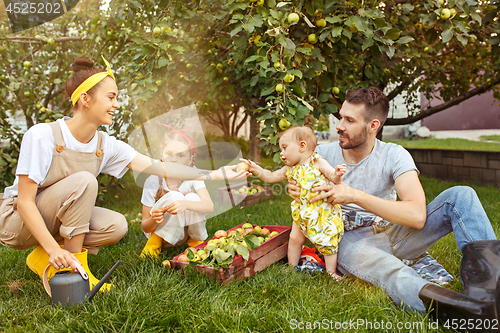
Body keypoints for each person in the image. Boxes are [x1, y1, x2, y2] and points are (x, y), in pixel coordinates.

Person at [0, 56, 247, 291]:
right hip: (17, 222)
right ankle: (74, 274)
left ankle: (43, 258)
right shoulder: (42, 135)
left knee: (116, 225)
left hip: (52, 217)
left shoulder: (105, 144)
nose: (116, 104)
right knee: (85, 181)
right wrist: (55, 248)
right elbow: (24, 202)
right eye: (111, 97)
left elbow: (159, 167)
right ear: (86, 99)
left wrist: (216, 174)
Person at [288, 87, 498, 315]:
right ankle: (462, 312)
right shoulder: (321, 155)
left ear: (373, 126)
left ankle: (490, 292)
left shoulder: (394, 154)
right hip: (349, 239)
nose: (339, 125)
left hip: (394, 231)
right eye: (341, 117)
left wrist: (353, 195)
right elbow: (296, 177)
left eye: (349, 120)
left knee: (461, 195)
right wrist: (296, 189)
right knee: (389, 269)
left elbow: (417, 217)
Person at [242, 125, 346, 280]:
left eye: (284, 148)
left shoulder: (317, 162)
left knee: (327, 242)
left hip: (321, 213)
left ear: (302, 146)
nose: (281, 153)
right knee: (295, 239)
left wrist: (337, 174)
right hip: (301, 212)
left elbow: (332, 176)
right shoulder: (289, 168)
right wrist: (256, 169)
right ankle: (292, 266)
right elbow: (270, 176)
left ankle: (331, 272)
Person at [140, 124, 214, 258]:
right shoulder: (152, 181)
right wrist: (153, 219)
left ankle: (196, 243)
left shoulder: (192, 175)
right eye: (169, 154)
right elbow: (145, 226)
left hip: (182, 235)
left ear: (190, 160)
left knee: (192, 198)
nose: (173, 159)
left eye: (181, 155)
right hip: (160, 235)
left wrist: (186, 204)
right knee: (174, 195)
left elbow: (209, 206)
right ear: (161, 156)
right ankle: (153, 246)